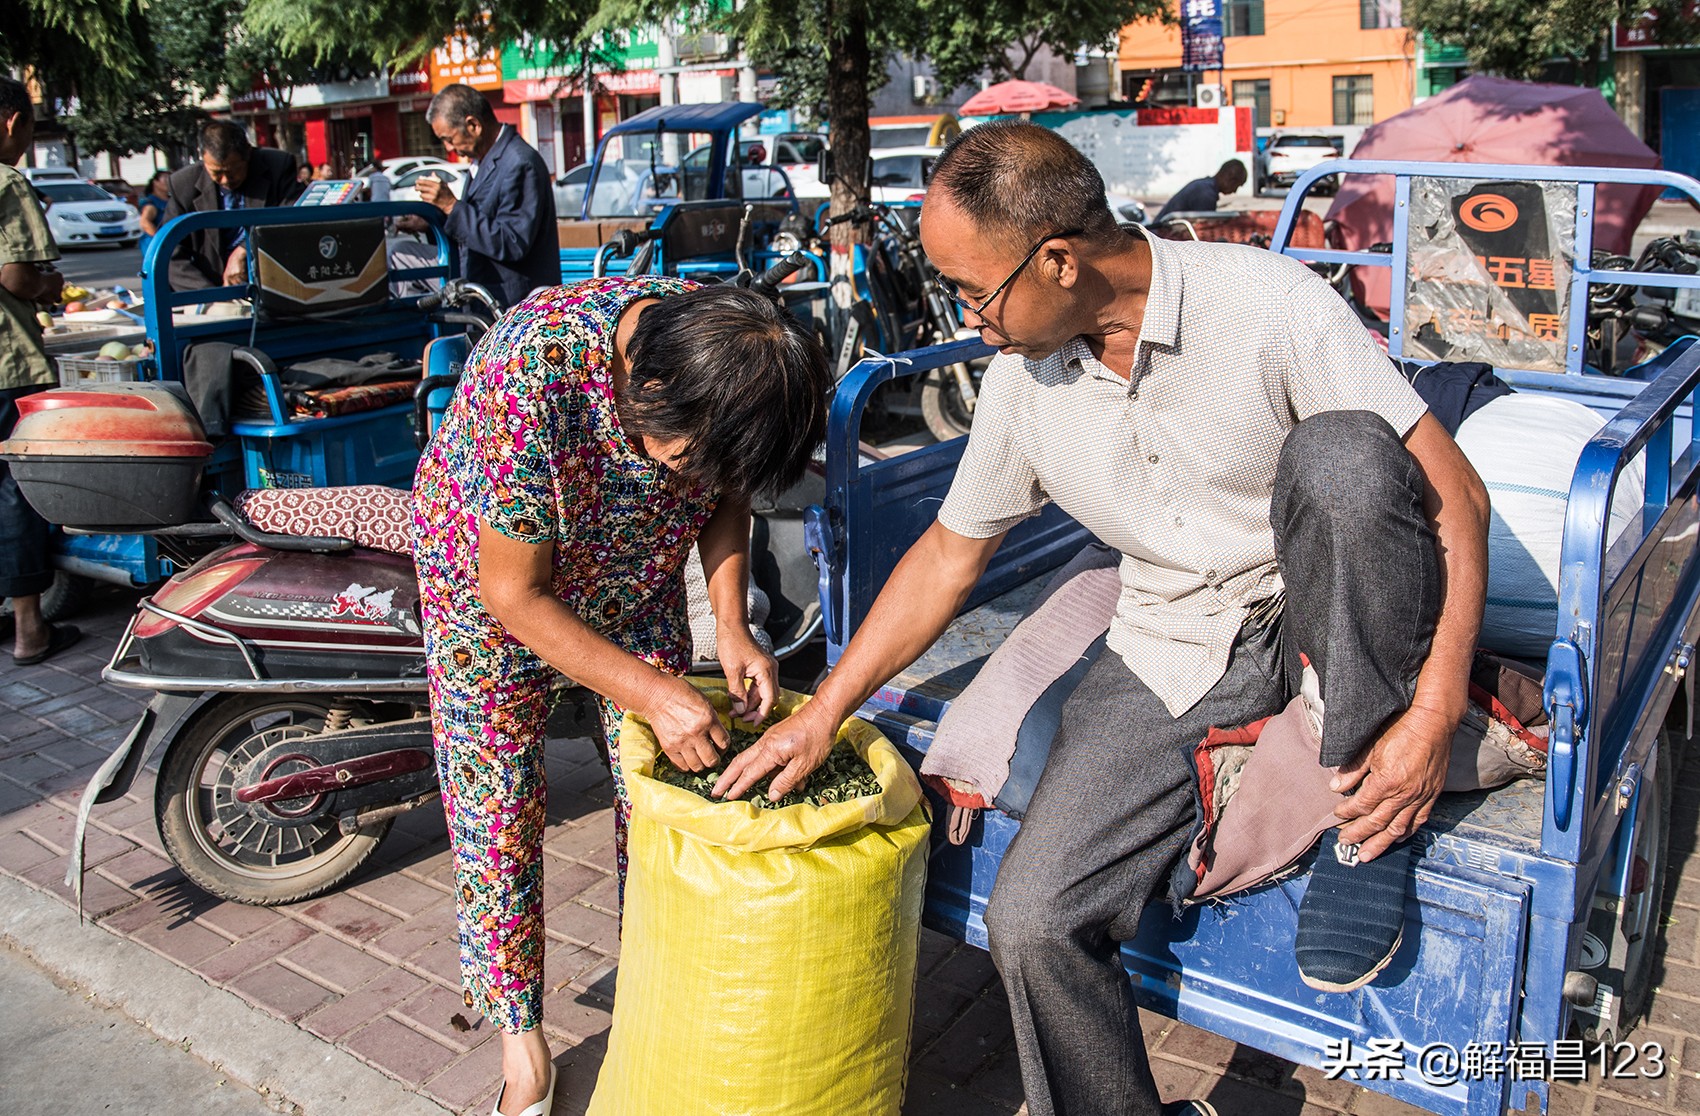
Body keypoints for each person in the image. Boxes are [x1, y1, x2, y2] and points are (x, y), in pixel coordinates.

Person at [715, 121, 1490, 1116]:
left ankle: (1355, 797)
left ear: (1057, 259)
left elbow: (1453, 498)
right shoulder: (1020, 385)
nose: (966, 315)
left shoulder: (1266, 305)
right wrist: (821, 711)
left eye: (971, 290)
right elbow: (948, 559)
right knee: (1031, 918)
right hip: (1170, 638)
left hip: (1322, 601)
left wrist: (1426, 718)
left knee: (1341, 454)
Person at [411, 275, 830, 1115]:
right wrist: (659, 694)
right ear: (648, 389)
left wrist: (730, 622)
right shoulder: (537, 374)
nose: (694, 481)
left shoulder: (727, 346)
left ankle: (656, 980)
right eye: (682, 461)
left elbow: (727, 492)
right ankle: (521, 1048)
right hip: (491, 591)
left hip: (633, 577)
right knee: (497, 810)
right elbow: (516, 595)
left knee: (659, 794)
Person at [0, 76, 80, 665]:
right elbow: (18, 279)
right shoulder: (7, 182)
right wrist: (51, 286)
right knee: (15, 492)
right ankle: (31, 628)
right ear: (12, 122)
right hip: (8, 363)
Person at [415, 83, 560, 307]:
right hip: (485, 300)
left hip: (513, 305)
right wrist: (433, 221)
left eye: (449, 139)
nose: (448, 148)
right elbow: (479, 224)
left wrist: (452, 206)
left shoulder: (519, 163)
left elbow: (512, 242)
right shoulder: (482, 162)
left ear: (473, 125)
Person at [163, 121, 302, 291]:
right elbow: (169, 254)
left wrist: (245, 249)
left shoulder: (278, 166)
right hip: (210, 286)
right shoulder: (183, 184)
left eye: (232, 171)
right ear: (203, 157)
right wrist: (210, 297)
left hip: (273, 282)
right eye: (216, 173)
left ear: (248, 154)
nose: (225, 180)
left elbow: (291, 217)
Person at [1154, 158, 1248, 223]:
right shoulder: (1206, 193)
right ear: (1229, 178)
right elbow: (1204, 230)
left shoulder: (1203, 186)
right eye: (1237, 185)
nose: (1235, 191)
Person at [136, 169, 171, 263]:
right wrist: (160, 239)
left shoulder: (172, 201)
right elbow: (145, 222)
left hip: (171, 243)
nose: (169, 181)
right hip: (156, 245)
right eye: (165, 179)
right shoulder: (151, 203)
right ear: (155, 182)